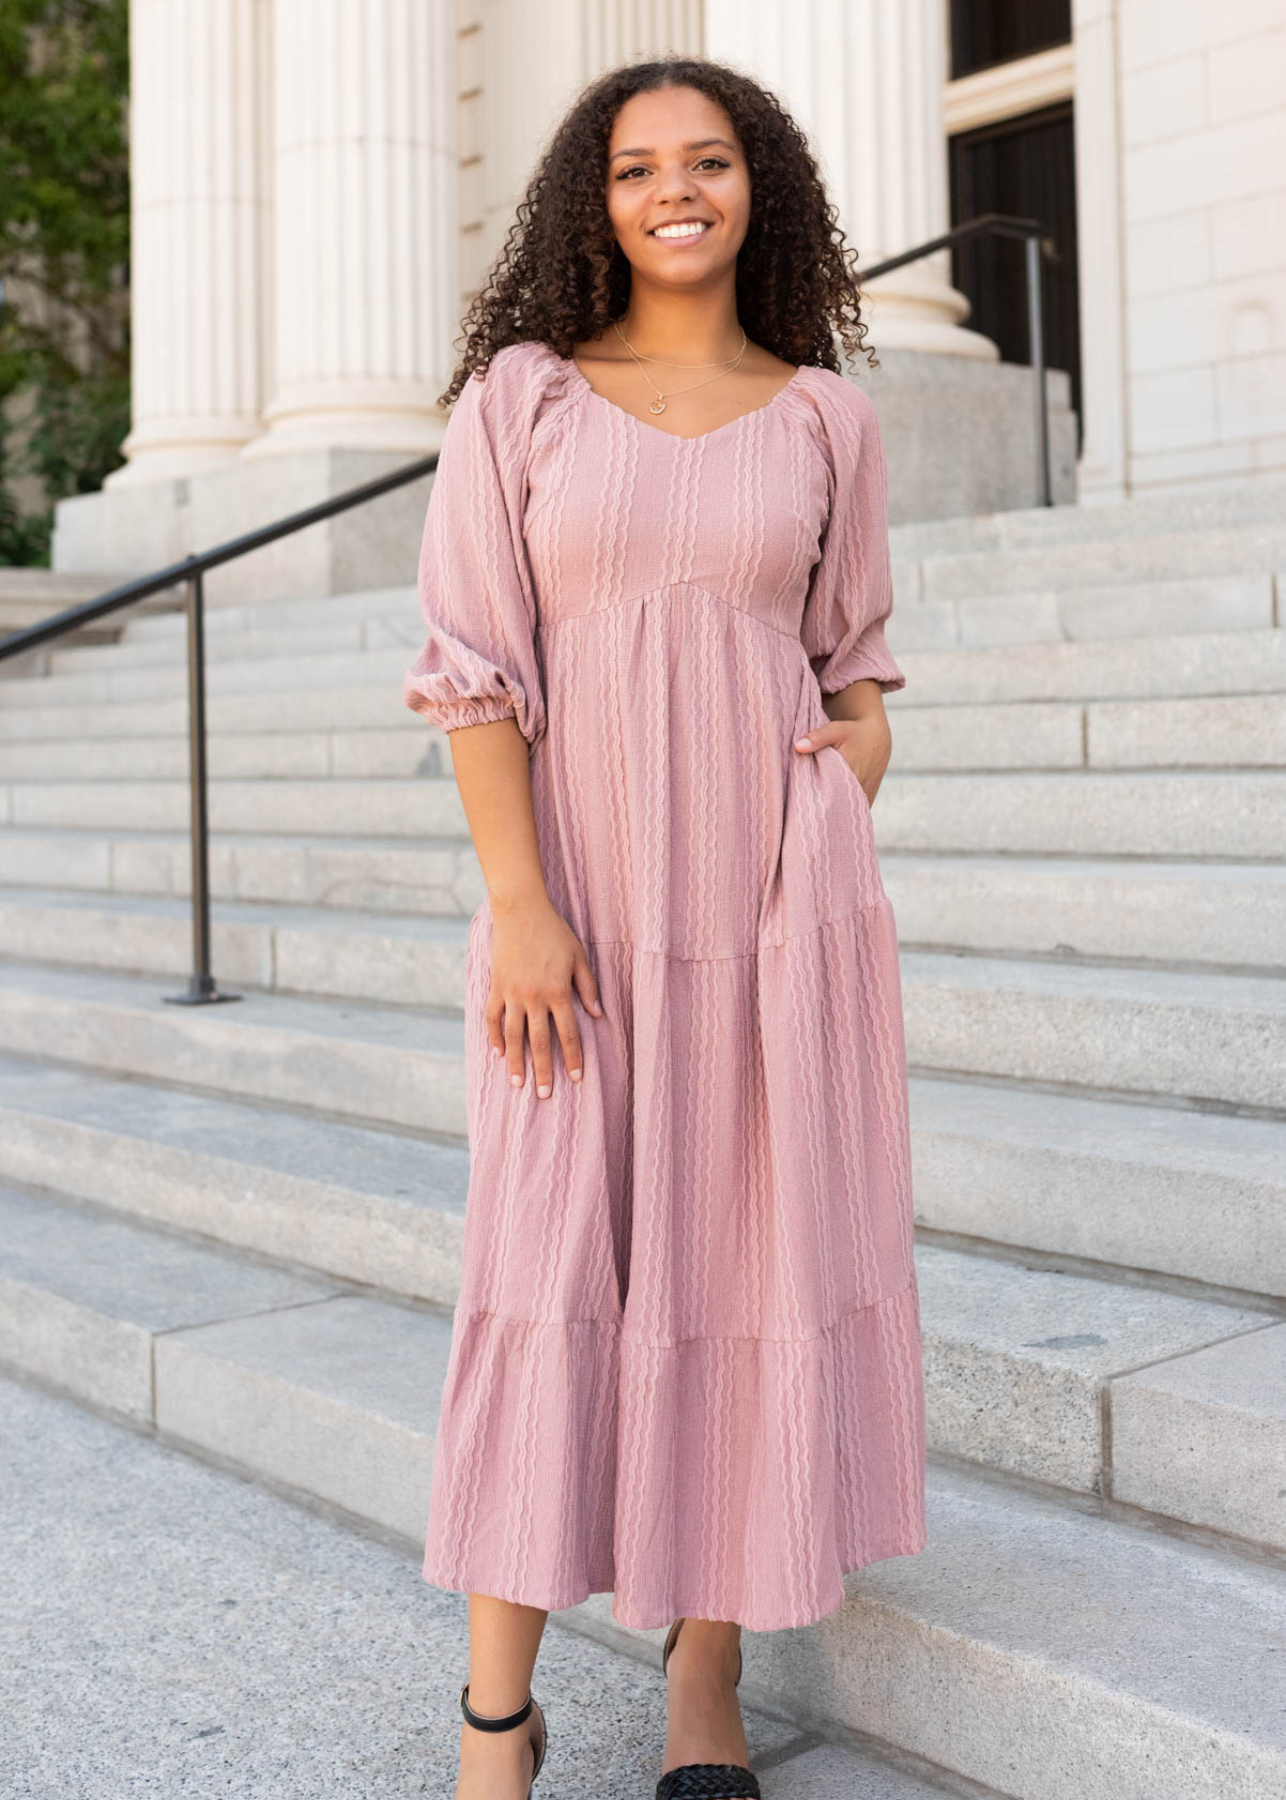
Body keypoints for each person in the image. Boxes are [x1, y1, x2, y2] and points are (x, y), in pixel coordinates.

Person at [403, 55, 927, 1800]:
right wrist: (521, 904)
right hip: (579, 920)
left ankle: (706, 1690)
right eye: (637, 169)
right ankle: (498, 1715)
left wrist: (844, 760)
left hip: (778, 916)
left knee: (745, 1261)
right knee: (544, 1272)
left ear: (757, 185)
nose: (674, 190)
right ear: (595, 200)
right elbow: (474, 670)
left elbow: (853, 669)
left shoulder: (827, 419)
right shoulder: (524, 399)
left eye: (708, 162)